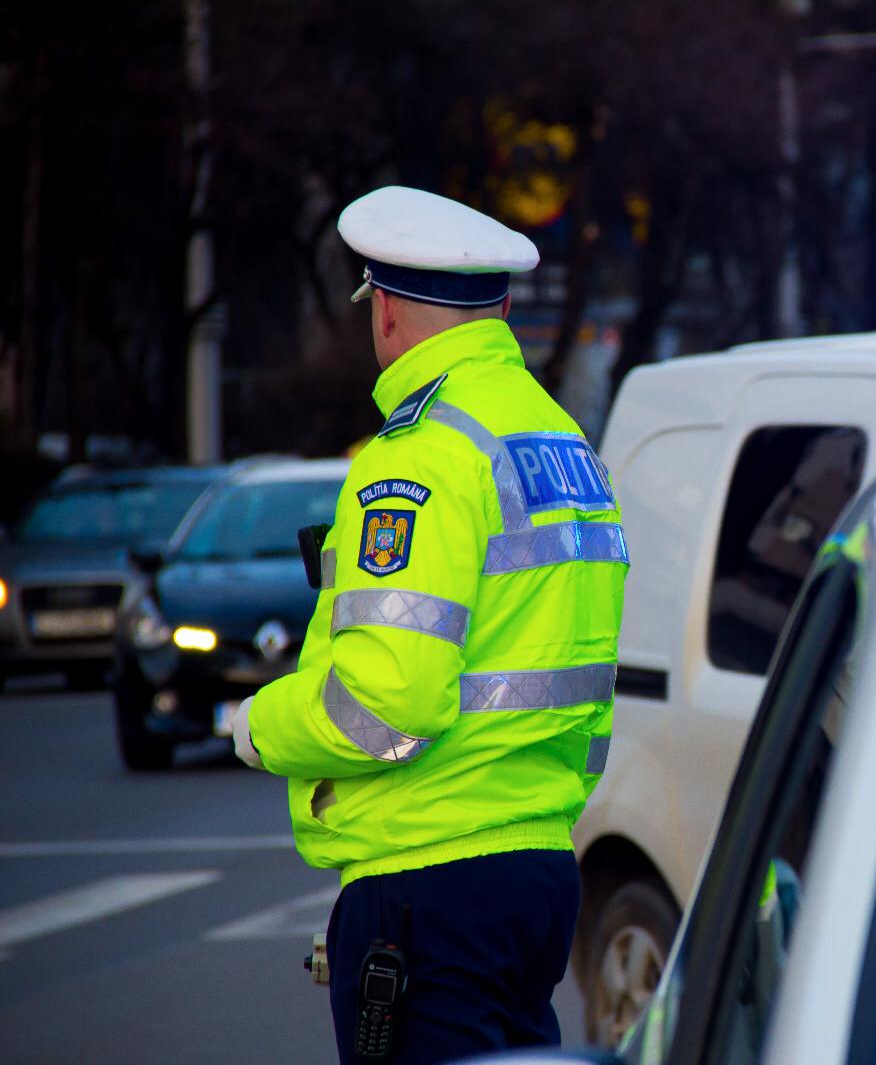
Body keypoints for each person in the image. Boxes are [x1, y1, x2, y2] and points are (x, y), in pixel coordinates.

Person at [228, 185, 629, 1062]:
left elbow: (389, 705)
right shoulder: (562, 442)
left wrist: (259, 724)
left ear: (387, 311)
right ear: (502, 311)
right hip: (538, 865)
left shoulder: (421, 455)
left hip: (430, 874)